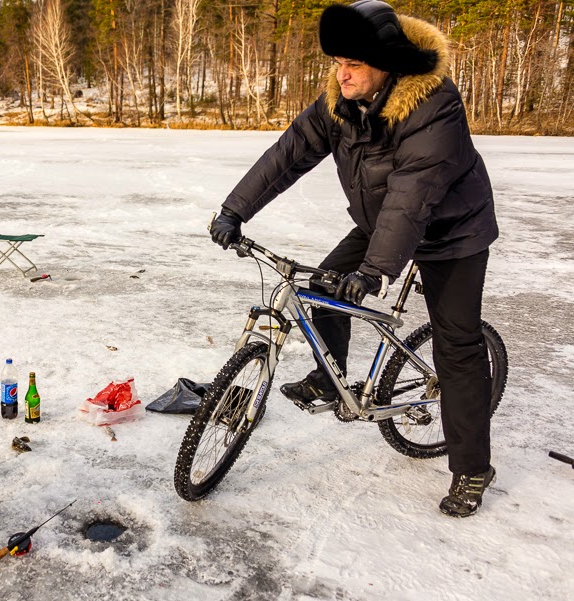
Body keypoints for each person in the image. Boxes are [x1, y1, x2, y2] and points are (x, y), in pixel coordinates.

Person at [209, 0, 498, 517]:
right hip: (382, 222)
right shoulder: (339, 102)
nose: (342, 74)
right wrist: (235, 210)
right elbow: (288, 153)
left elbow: (413, 194)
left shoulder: (434, 107)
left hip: (453, 233)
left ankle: (472, 467)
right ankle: (331, 374)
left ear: (385, 65)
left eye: (354, 65)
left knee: (456, 348)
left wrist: (373, 272)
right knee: (320, 285)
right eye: (338, 62)